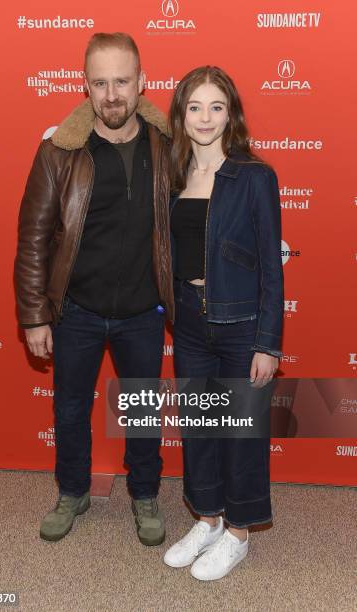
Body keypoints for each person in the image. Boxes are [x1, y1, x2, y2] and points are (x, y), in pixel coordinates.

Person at [14, 33, 174, 545]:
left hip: (143, 311)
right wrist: (35, 315)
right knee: (70, 408)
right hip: (76, 311)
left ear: (142, 83)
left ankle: (145, 494)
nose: (111, 94)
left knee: (144, 407)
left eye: (121, 81)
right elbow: (34, 236)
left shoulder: (168, 147)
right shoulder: (59, 151)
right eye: (100, 82)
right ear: (86, 86)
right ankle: (72, 490)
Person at [163, 66, 284, 580]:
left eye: (216, 106)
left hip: (241, 323)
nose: (205, 117)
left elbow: (271, 268)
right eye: (195, 107)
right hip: (190, 324)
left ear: (230, 113)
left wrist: (268, 343)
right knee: (199, 429)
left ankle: (239, 532)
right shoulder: (172, 176)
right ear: (181, 115)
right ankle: (208, 520)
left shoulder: (255, 176)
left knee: (241, 433)